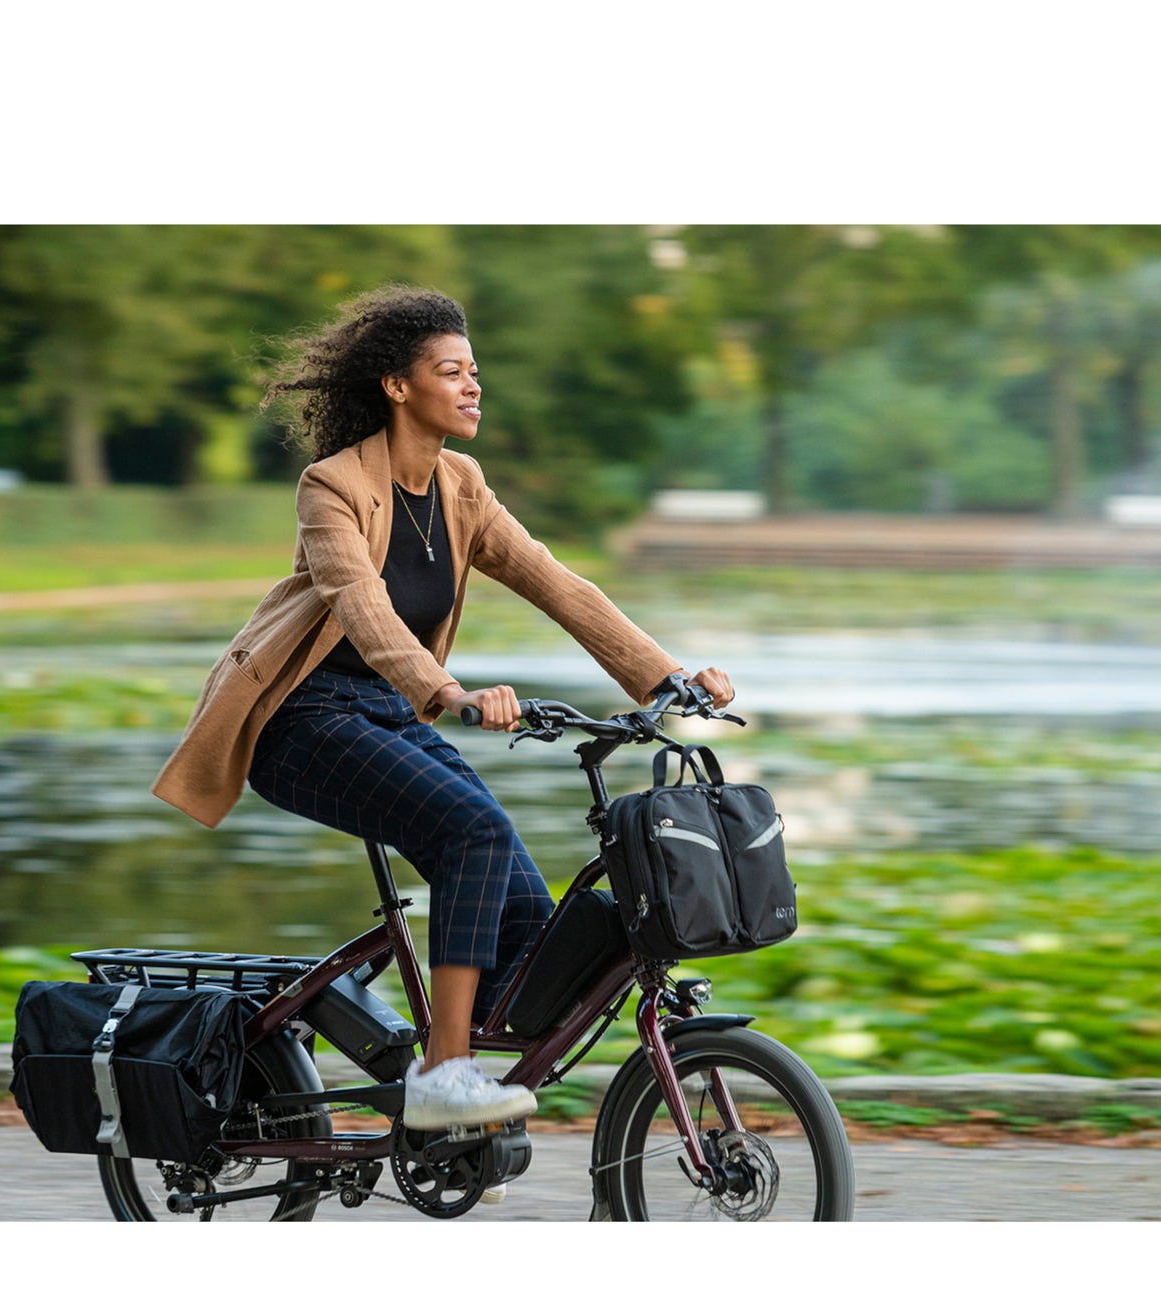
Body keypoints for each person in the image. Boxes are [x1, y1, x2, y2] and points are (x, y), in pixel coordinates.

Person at [150, 284, 734, 1134]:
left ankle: (460, 1120)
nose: (473, 385)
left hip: (385, 715)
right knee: (474, 834)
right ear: (398, 386)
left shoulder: (462, 486)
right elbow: (362, 606)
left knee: (531, 917)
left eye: (474, 371)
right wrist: (448, 692)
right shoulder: (332, 485)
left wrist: (666, 680)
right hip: (302, 720)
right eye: (451, 371)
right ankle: (442, 1073)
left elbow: (558, 584)